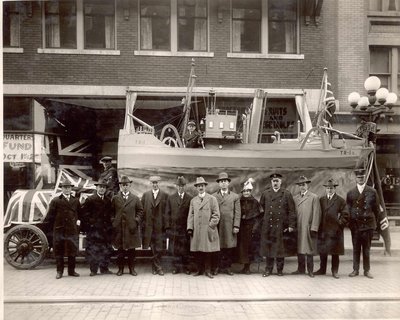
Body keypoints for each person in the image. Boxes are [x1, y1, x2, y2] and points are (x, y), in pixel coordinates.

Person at [347, 168, 383, 279]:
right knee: (356, 248)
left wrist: (373, 225)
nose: (360, 179)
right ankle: (355, 269)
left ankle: (367, 270)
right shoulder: (351, 193)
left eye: (362, 177)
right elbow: (348, 210)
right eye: (358, 177)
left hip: (368, 225)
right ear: (355, 178)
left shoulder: (372, 191)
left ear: (365, 178)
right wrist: (351, 225)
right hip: (356, 225)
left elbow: (376, 209)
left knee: (366, 249)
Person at [259, 173, 296, 277]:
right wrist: (262, 224)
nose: (275, 183)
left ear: (281, 182)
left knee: (280, 249)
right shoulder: (265, 194)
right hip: (268, 226)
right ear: (271, 182)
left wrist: (291, 225)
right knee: (269, 248)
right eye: (273, 181)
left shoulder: (287, 194)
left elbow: (292, 211)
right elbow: (261, 210)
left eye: (277, 181)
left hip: (281, 226)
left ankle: (280, 270)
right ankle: (268, 270)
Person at [43, 180, 81, 279]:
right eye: (65, 187)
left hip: (72, 230)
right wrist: (51, 231)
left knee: (72, 251)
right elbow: (50, 217)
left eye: (69, 187)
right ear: (62, 189)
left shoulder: (76, 200)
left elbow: (80, 214)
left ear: (71, 188)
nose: (67, 189)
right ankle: (59, 271)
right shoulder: (56, 200)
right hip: (60, 230)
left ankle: (71, 271)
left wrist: (78, 224)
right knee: (59, 251)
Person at [315, 178, 349, 279]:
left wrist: (339, 224)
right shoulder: (321, 200)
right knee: (323, 251)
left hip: (335, 231)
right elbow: (318, 213)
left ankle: (334, 271)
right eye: (328, 188)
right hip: (324, 230)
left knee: (335, 252)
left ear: (335, 189)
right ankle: (322, 269)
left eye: (332, 188)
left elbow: (346, 215)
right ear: (325, 189)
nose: (330, 190)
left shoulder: (340, 200)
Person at [187, 177, 220, 279]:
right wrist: (190, 227)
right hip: (197, 230)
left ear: (205, 187)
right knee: (198, 251)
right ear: (196, 188)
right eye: (198, 186)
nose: (200, 187)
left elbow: (216, 215)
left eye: (202, 185)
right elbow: (191, 215)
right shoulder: (193, 201)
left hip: (208, 230)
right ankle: (198, 270)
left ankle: (208, 270)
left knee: (208, 251)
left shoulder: (212, 199)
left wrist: (210, 226)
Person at [111, 176, 143, 276]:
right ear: (120, 186)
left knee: (131, 251)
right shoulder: (115, 198)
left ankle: (131, 269)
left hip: (131, 229)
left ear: (130, 186)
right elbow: (111, 212)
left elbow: (140, 211)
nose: (125, 187)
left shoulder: (135, 198)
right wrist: (114, 221)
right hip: (119, 229)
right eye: (123, 185)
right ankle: (120, 269)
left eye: (127, 185)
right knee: (120, 251)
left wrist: (136, 220)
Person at [81, 179, 113, 276]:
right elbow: (84, 215)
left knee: (105, 249)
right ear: (97, 188)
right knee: (93, 250)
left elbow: (110, 214)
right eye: (100, 187)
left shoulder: (108, 200)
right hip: (94, 230)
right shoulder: (90, 199)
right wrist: (91, 224)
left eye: (104, 187)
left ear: (106, 189)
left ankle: (104, 269)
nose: (102, 189)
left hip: (105, 230)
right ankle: (93, 270)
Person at [292, 176, 321, 277]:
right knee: (299, 248)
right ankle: (300, 269)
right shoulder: (295, 198)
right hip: (299, 227)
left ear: (307, 185)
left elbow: (317, 213)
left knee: (309, 249)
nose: (302, 187)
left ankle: (310, 270)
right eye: (300, 185)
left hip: (308, 227)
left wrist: (314, 227)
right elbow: (292, 213)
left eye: (303, 185)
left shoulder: (314, 197)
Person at [212, 172, 241, 275]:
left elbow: (237, 213)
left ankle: (227, 267)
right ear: (219, 184)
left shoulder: (235, 196)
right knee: (217, 247)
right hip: (218, 226)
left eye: (225, 181)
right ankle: (217, 267)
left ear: (228, 183)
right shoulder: (213, 196)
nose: (223, 183)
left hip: (229, 226)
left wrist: (236, 225)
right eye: (221, 182)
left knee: (229, 248)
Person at [141, 175, 169, 275]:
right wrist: (143, 226)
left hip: (160, 227)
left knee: (159, 248)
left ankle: (156, 267)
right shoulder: (146, 195)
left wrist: (166, 226)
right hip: (149, 227)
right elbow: (142, 212)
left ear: (159, 183)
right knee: (152, 247)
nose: (155, 185)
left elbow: (166, 212)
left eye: (156, 183)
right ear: (150, 184)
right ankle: (157, 267)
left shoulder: (165, 195)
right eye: (153, 183)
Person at [165, 176, 193, 274]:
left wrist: (190, 228)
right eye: (179, 186)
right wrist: (168, 227)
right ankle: (175, 267)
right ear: (176, 186)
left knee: (185, 249)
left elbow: (191, 214)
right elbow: (167, 213)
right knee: (175, 249)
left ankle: (186, 268)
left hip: (185, 229)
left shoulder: (190, 198)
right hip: (174, 229)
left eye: (182, 186)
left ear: (185, 186)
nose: (181, 187)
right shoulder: (171, 198)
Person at [236, 178, 261, 274]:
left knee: (250, 247)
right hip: (241, 227)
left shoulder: (254, 202)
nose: (246, 193)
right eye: (244, 191)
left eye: (248, 191)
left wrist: (255, 228)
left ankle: (248, 267)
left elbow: (258, 217)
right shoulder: (239, 201)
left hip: (251, 228)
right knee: (241, 247)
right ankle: (242, 265)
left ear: (250, 192)